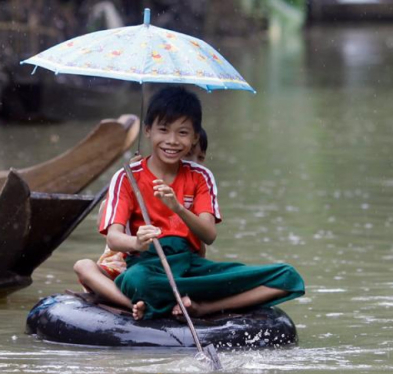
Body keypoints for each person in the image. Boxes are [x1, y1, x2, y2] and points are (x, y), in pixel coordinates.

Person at [99, 86, 304, 320]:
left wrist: (177, 207)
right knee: (138, 281)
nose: (172, 141)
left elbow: (209, 235)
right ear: (148, 131)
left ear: (196, 136)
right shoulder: (127, 177)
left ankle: (203, 308)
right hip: (148, 266)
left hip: (191, 266)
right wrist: (137, 241)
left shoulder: (200, 176)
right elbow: (113, 238)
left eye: (183, 133)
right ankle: (170, 299)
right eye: (163, 130)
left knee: (287, 277)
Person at [73, 127, 210, 309]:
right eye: (188, 157)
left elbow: (201, 247)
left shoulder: (194, 198)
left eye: (200, 159)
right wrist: (131, 181)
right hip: (126, 266)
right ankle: (132, 304)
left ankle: (176, 299)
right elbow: (107, 226)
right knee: (83, 266)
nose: (194, 164)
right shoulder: (139, 184)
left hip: (171, 270)